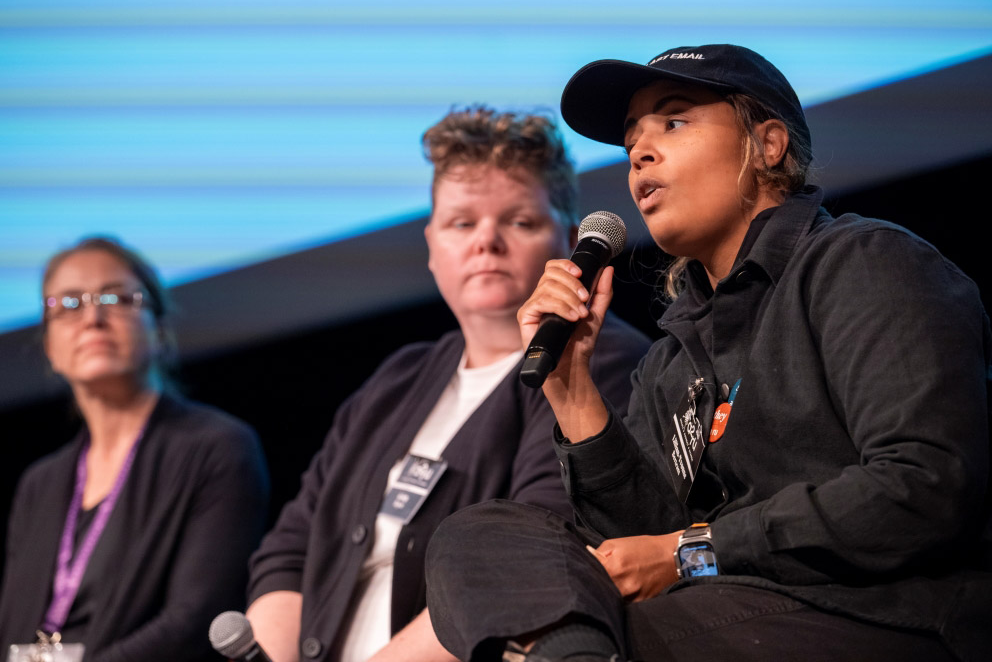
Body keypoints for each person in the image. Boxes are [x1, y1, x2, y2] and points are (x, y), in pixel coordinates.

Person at [424, 45, 992, 662]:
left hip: (884, 617)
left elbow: (925, 485)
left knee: (621, 637)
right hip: (727, 617)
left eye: (673, 121)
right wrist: (572, 389)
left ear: (767, 145)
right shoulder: (673, 357)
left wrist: (691, 551)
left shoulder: (865, 262)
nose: (639, 152)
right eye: (630, 140)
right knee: (479, 536)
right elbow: (641, 543)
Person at [245, 106, 653, 662]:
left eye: (519, 221)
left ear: (572, 241)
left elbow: (525, 566)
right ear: (432, 245)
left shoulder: (600, 361)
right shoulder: (398, 378)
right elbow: (290, 551)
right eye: (463, 223)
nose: (487, 242)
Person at [0, 237, 270, 662]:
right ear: (50, 347)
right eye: (68, 305)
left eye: (116, 298)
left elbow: (194, 622)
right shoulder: (39, 485)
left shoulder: (217, 448)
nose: (93, 317)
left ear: (158, 328)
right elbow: (16, 640)